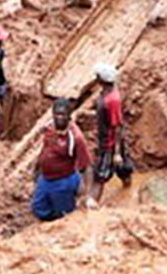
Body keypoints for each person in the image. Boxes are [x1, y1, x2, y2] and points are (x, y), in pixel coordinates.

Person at [33, 99, 94, 221]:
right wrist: (37, 169)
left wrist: (87, 194)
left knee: (64, 215)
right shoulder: (49, 127)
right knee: (38, 207)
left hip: (63, 181)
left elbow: (87, 166)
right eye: (57, 114)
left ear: (69, 116)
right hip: (45, 178)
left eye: (63, 115)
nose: (59, 117)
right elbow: (45, 149)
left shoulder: (76, 137)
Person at [90, 63, 133, 203]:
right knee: (124, 169)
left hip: (109, 144)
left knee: (99, 177)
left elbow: (117, 126)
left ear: (101, 80)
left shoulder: (111, 100)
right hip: (112, 141)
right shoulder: (109, 93)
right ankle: (129, 193)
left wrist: (116, 153)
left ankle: (92, 206)